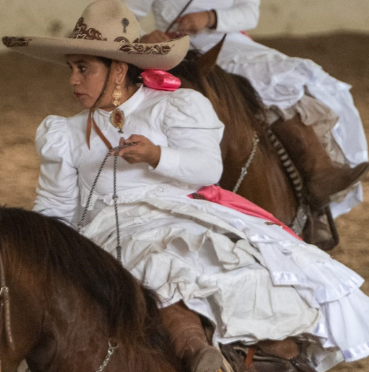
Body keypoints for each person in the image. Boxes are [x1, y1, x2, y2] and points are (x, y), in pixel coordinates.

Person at [1, 0, 369, 372]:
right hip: (104, 230)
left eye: (83, 68)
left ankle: (269, 363)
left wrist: (158, 155)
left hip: (179, 213)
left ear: (118, 69)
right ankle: (183, 356)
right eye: (71, 68)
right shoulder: (64, 134)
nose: (73, 80)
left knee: (237, 268)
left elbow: (208, 168)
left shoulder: (173, 106)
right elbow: (56, 206)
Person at [128, 0, 369, 218]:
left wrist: (211, 18)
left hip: (230, 42)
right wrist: (145, 37)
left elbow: (249, 12)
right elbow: (127, 14)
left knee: (292, 77)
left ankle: (318, 168)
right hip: (175, 48)